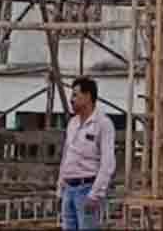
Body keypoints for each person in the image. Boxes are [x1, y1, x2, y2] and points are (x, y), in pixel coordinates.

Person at [58, 77, 116, 230]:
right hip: (68, 188)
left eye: (76, 95)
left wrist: (95, 194)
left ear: (88, 96)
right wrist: (61, 185)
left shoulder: (103, 124)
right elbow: (66, 155)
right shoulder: (73, 123)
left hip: (87, 189)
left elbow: (107, 163)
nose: (71, 100)